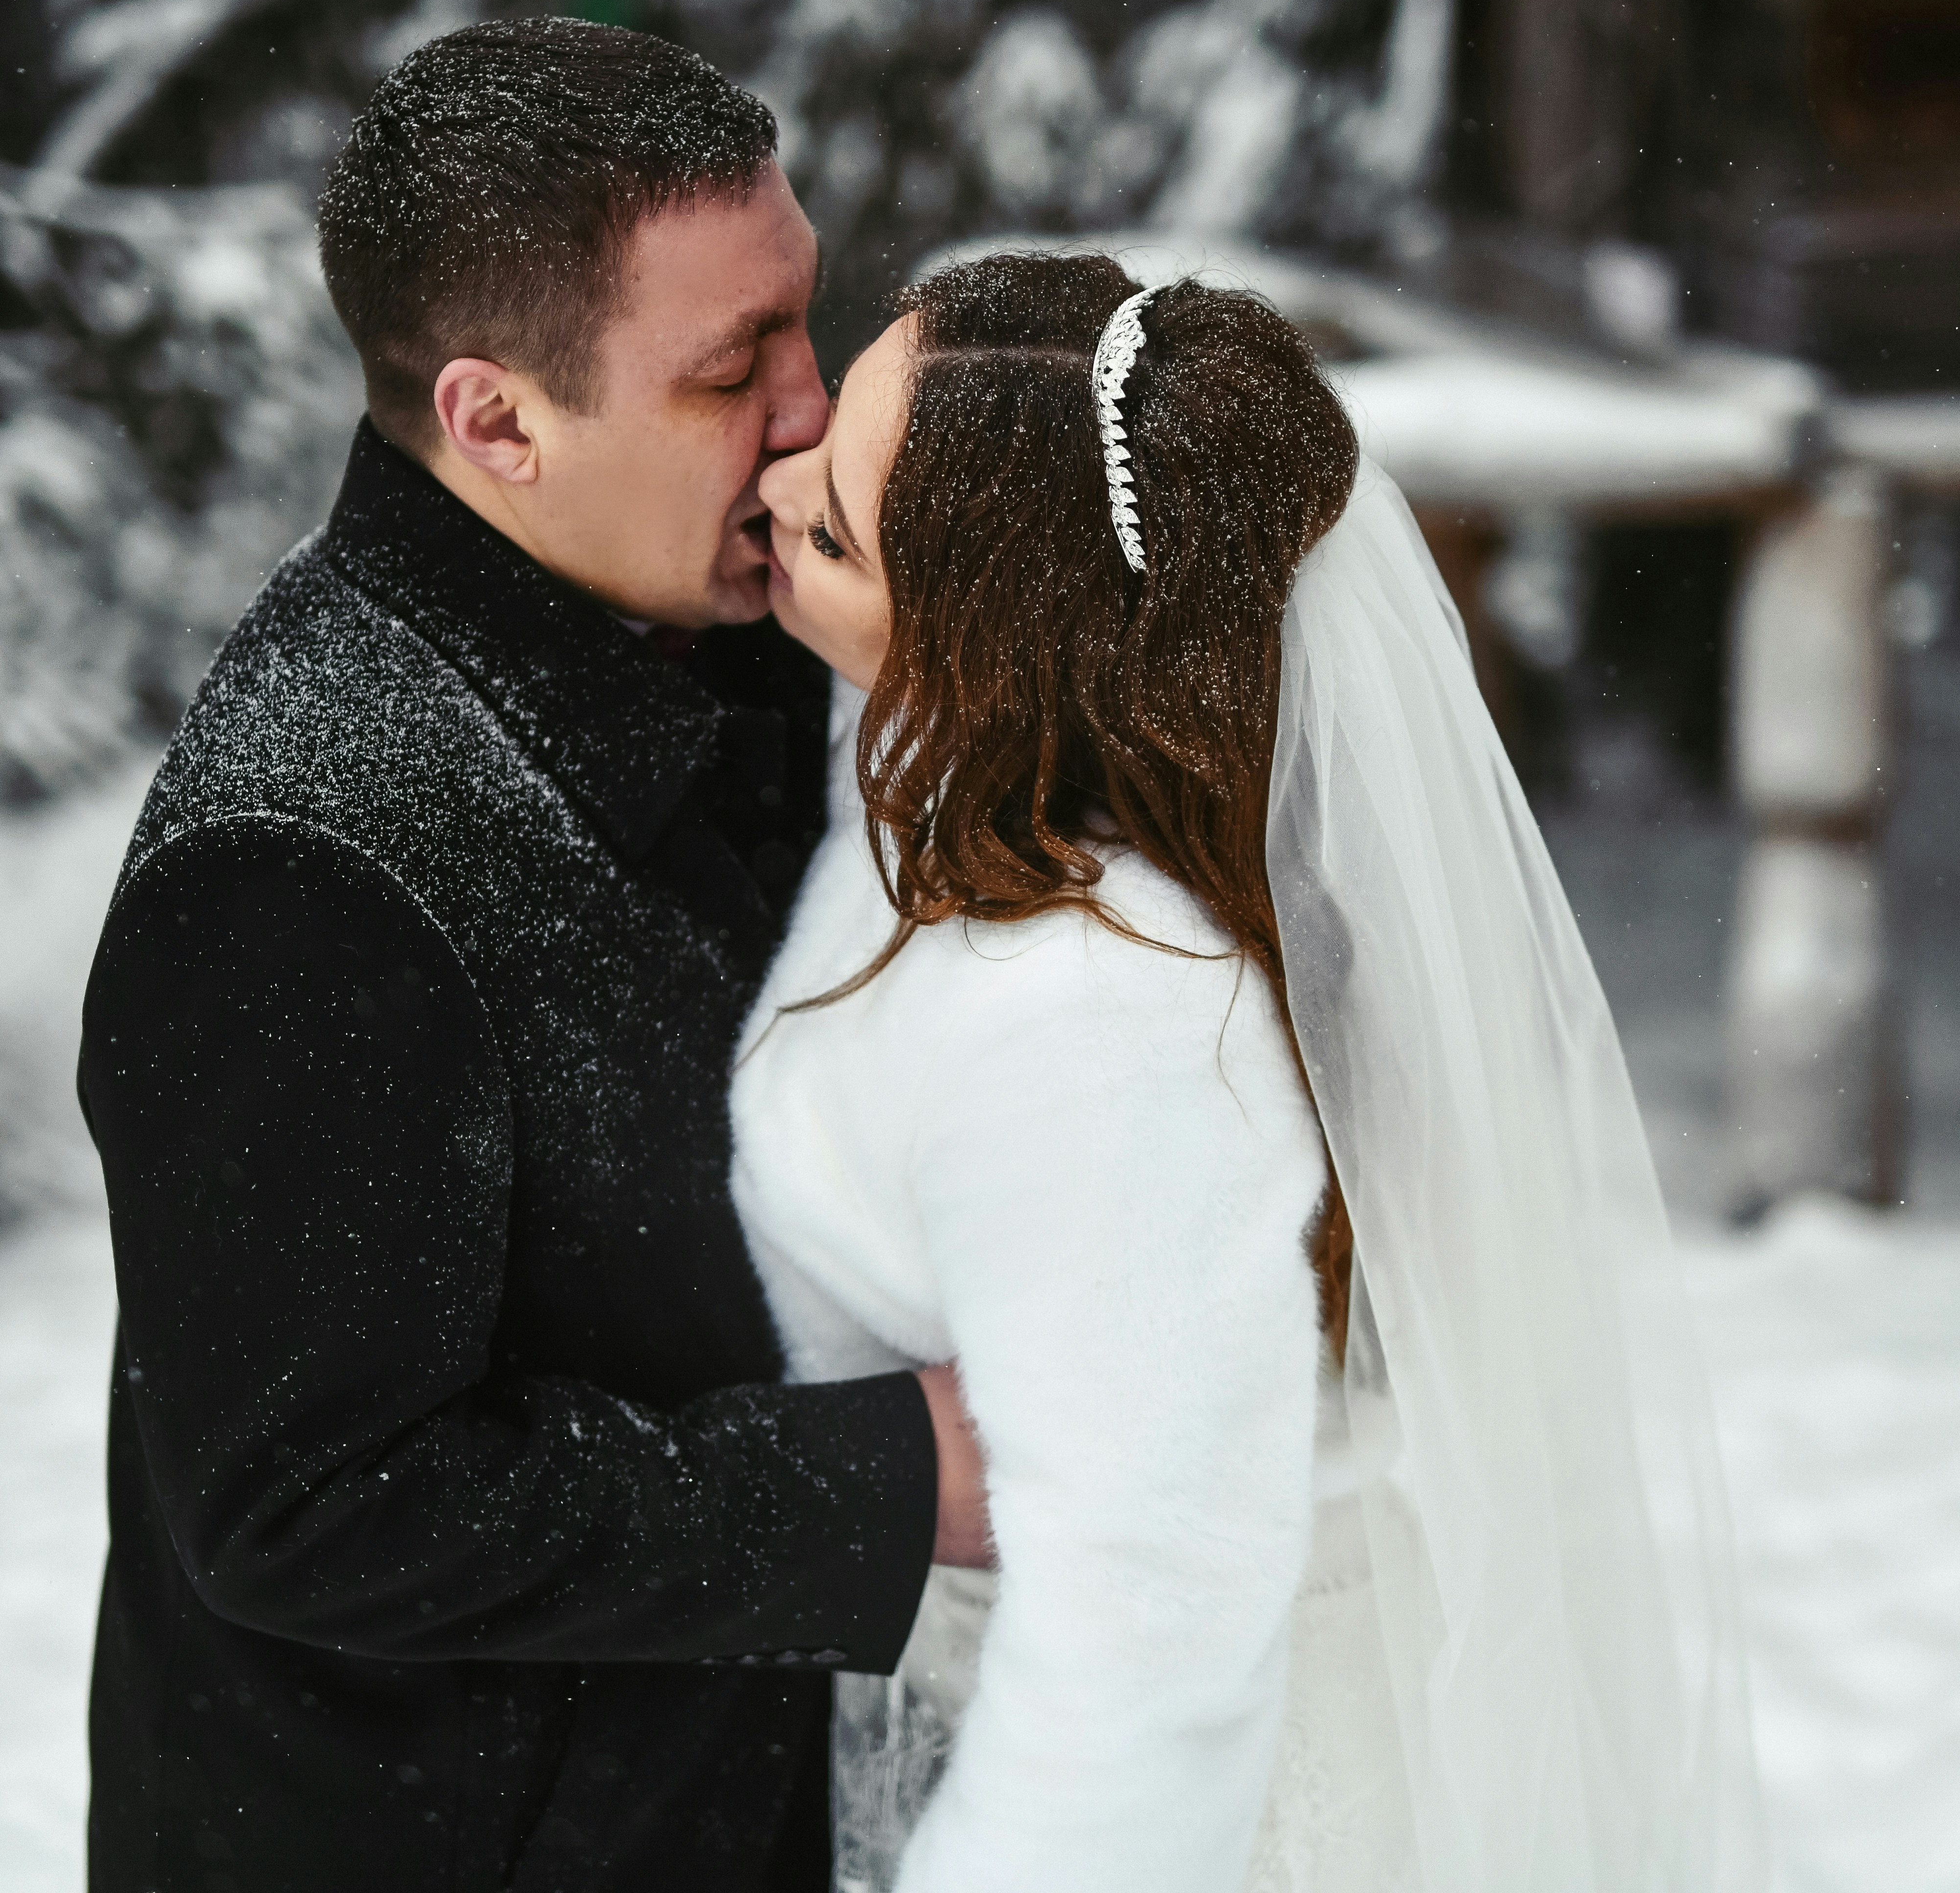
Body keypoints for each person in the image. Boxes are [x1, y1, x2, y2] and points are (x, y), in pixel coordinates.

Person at [74, 18, 991, 1893]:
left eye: (806, 321)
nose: (812, 410)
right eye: (736, 366)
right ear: (499, 422)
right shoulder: (298, 866)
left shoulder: (733, 614)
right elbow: (309, 1503)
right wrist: (886, 1483)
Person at [733, 252, 1764, 1892]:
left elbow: (1148, 1625)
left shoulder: (1093, 1016)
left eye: (838, 527)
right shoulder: (996, 819)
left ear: (996, 653)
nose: (773, 485)